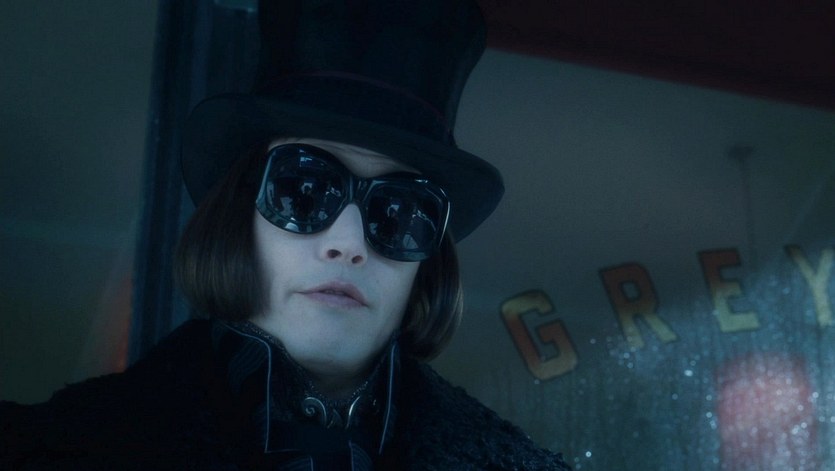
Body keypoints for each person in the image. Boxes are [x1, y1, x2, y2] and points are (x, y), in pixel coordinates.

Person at [1, 0, 572, 469]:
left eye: (398, 212)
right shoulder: (51, 451)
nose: (349, 244)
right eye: (305, 189)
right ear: (238, 214)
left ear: (427, 264)